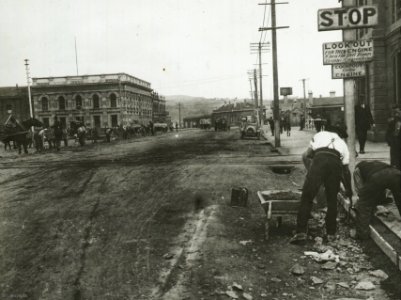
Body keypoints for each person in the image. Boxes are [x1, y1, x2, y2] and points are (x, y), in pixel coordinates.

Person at [290, 125, 352, 244]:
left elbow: (308, 154)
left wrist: (313, 170)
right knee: (332, 201)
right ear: (340, 134)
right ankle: (331, 234)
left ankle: (301, 233)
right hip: (335, 165)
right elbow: (345, 170)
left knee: (307, 197)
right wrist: (349, 189)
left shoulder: (320, 135)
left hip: (319, 162)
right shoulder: (343, 144)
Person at [352, 161, 401, 240]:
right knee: (399, 199)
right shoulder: (373, 165)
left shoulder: (357, 171)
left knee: (363, 204)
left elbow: (362, 194)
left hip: (378, 177)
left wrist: (360, 202)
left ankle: (362, 235)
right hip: (396, 173)